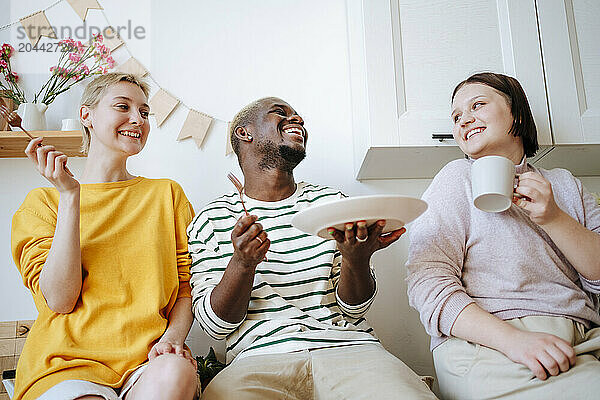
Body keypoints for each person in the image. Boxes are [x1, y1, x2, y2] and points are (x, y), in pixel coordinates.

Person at [187, 97, 438, 399]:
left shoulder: (333, 204)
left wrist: (355, 259)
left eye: (298, 116)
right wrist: (242, 263)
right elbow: (215, 327)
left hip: (352, 351)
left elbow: (354, 307)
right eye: (280, 113)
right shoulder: (211, 220)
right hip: (257, 361)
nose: (298, 120)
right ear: (245, 133)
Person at [406, 72, 600, 399]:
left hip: (581, 341)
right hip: (489, 345)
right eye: (456, 116)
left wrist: (553, 218)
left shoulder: (565, 184)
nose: (464, 119)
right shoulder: (455, 178)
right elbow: (427, 283)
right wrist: (514, 340)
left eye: (477, 105)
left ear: (518, 115)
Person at [11, 73, 198, 400]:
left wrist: (172, 338)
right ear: (87, 116)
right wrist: (71, 196)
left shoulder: (167, 195)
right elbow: (60, 299)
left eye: (144, 112)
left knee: (175, 373)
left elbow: (186, 286)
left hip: (147, 362)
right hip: (65, 363)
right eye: (122, 106)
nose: (137, 119)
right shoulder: (43, 203)